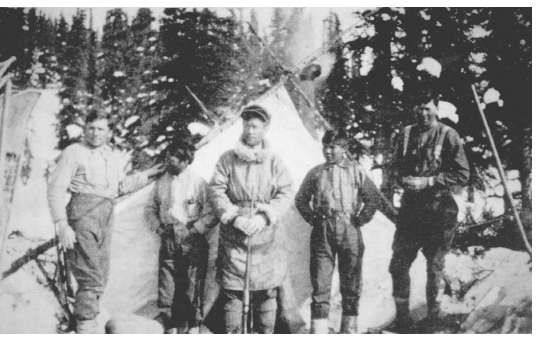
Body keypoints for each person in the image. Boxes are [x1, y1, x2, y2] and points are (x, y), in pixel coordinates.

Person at [47, 110, 163, 334]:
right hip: (82, 214)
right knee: (90, 276)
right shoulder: (74, 152)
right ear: (85, 128)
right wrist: (62, 224)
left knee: (101, 274)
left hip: (106, 214)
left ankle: (90, 320)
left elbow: (120, 187)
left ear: (109, 132)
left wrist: (149, 174)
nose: (95, 133)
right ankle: (84, 326)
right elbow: (55, 190)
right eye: (91, 127)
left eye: (101, 129)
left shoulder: (111, 155)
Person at [295, 129, 398, 334]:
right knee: (320, 284)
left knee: (351, 285)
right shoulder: (316, 172)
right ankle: (319, 332)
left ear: (343, 148)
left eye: (333, 147)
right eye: (325, 146)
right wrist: (313, 218)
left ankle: (349, 332)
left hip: (349, 230)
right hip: (322, 231)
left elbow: (373, 198)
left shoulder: (356, 170)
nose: (328, 151)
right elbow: (300, 199)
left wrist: (361, 219)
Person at [387, 89, 469, 333]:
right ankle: (402, 319)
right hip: (411, 211)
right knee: (398, 265)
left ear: (436, 107)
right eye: (418, 108)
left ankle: (432, 320)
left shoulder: (448, 134)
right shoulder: (404, 134)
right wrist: (402, 179)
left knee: (434, 267)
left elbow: (463, 174)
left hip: (439, 211)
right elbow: (393, 167)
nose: (422, 113)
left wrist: (430, 181)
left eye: (427, 108)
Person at [209, 104, 294, 334]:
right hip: (234, 233)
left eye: (255, 126)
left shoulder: (274, 162)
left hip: (265, 236)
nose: (250, 131)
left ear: (265, 129)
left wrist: (265, 216)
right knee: (232, 290)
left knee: (266, 290)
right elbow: (216, 190)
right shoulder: (227, 159)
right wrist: (233, 216)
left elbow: (286, 192)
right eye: (247, 126)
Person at [149, 139, 217, 334]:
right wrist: (159, 228)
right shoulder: (162, 182)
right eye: (168, 158)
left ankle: (193, 325)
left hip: (192, 237)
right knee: (167, 282)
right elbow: (150, 208)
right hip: (169, 236)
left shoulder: (198, 182)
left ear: (185, 161)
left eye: (174, 159)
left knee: (192, 284)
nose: (169, 162)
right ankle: (170, 325)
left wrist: (194, 229)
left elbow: (212, 212)